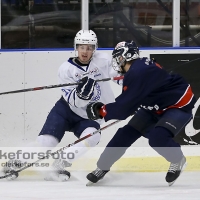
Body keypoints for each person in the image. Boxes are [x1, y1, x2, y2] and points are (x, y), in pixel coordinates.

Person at [3, 30, 121, 181]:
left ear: (94, 49)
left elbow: (119, 75)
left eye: (89, 47)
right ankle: (14, 163)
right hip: (65, 111)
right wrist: (82, 94)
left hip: (90, 116)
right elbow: (74, 101)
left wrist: (137, 86)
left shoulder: (102, 61)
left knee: (93, 136)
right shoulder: (66, 69)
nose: (85, 51)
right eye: (81, 47)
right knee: (46, 142)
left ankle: (60, 163)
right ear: (76, 47)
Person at [86, 40, 196, 186]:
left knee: (158, 138)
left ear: (124, 57)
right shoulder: (138, 67)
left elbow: (124, 107)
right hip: (153, 106)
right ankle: (102, 167)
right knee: (124, 134)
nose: (117, 62)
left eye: (118, 58)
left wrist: (102, 111)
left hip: (177, 106)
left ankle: (177, 159)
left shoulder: (138, 72)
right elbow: (132, 98)